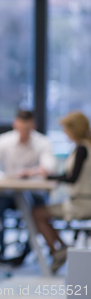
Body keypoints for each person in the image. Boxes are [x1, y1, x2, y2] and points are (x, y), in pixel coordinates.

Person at [0, 110, 57, 263]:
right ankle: (1, 251)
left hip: (33, 192)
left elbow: (49, 167)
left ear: (33, 126)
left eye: (27, 129)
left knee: (39, 208)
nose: (24, 133)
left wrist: (29, 172)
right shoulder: (3, 141)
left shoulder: (42, 142)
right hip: (7, 193)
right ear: (15, 125)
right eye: (21, 128)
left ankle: (26, 251)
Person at [33, 111, 91, 273]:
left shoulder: (82, 149)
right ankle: (62, 247)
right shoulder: (84, 146)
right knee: (40, 212)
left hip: (82, 203)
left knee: (38, 214)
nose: (65, 132)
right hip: (81, 200)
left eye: (66, 128)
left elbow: (71, 177)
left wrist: (49, 176)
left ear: (75, 129)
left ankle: (58, 249)